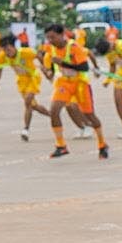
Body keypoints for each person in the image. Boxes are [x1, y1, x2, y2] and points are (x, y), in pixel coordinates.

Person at [42, 28, 110, 160]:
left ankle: (102, 144)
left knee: (89, 115)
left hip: (80, 84)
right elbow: (50, 68)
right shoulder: (50, 50)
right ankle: (61, 145)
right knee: (54, 110)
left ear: (62, 35)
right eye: (48, 38)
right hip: (63, 83)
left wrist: (63, 63)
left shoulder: (74, 47)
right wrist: (48, 72)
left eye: (53, 37)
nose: (50, 40)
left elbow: (84, 67)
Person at [5, 31, 47, 138]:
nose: (7, 52)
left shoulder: (25, 52)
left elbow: (38, 55)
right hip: (22, 82)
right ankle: (52, 115)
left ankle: (25, 129)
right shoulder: (3, 56)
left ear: (14, 47)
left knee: (28, 101)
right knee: (34, 106)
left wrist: (45, 67)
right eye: (5, 50)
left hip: (33, 77)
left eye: (9, 49)